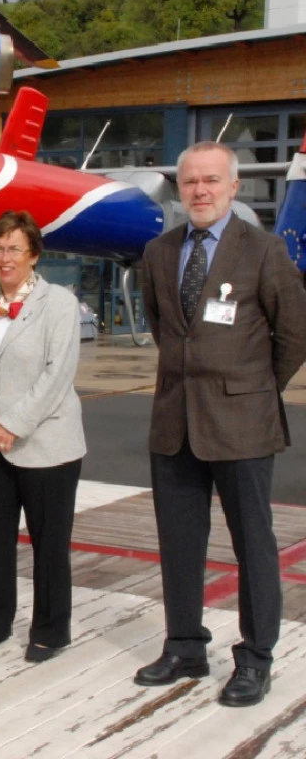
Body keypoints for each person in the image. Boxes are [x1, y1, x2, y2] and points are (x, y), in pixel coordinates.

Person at [136, 142, 306, 706]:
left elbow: (295, 335)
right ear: (180, 190)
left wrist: (253, 389)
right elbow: (168, 331)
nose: (200, 191)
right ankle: (185, 645)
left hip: (243, 423)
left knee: (253, 543)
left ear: (233, 187)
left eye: (211, 180)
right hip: (174, 422)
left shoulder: (263, 250)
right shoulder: (159, 253)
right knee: (179, 542)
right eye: (190, 183)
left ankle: (256, 658)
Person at [0, 211, 85, 663]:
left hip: (46, 444)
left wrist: (11, 426)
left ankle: (50, 630)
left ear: (34, 254)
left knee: (49, 544)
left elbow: (57, 375)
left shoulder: (59, 304)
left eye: (13, 249)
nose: (4, 258)